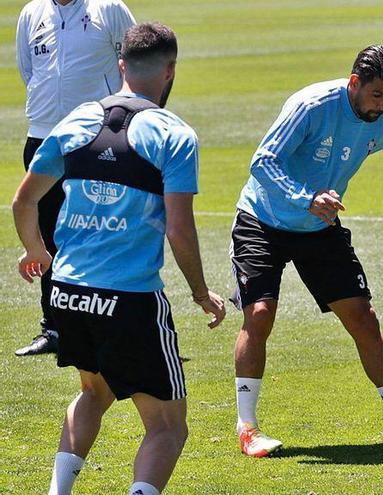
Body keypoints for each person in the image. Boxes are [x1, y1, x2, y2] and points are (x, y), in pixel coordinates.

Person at [12, 23, 226, 495]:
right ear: (170, 71)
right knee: (167, 426)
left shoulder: (75, 121)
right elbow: (178, 228)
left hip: (67, 292)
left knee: (94, 392)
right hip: (127, 300)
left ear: (120, 66)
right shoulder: (173, 134)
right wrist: (198, 291)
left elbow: (23, 202)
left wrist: (36, 251)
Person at [230, 44, 383, 457]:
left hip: (319, 226)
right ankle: (247, 427)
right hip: (262, 219)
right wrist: (305, 197)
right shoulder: (311, 105)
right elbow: (263, 162)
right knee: (260, 313)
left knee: (362, 318)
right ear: (355, 82)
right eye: (377, 95)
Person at [14, 0, 136, 356]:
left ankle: (109, 324)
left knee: (101, 231)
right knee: (48, 235)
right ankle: (55, 328)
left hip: (96, 137)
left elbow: (135, 67)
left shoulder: (109, 8)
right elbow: (29, 71)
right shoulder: (31, 13)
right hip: (43, 136)